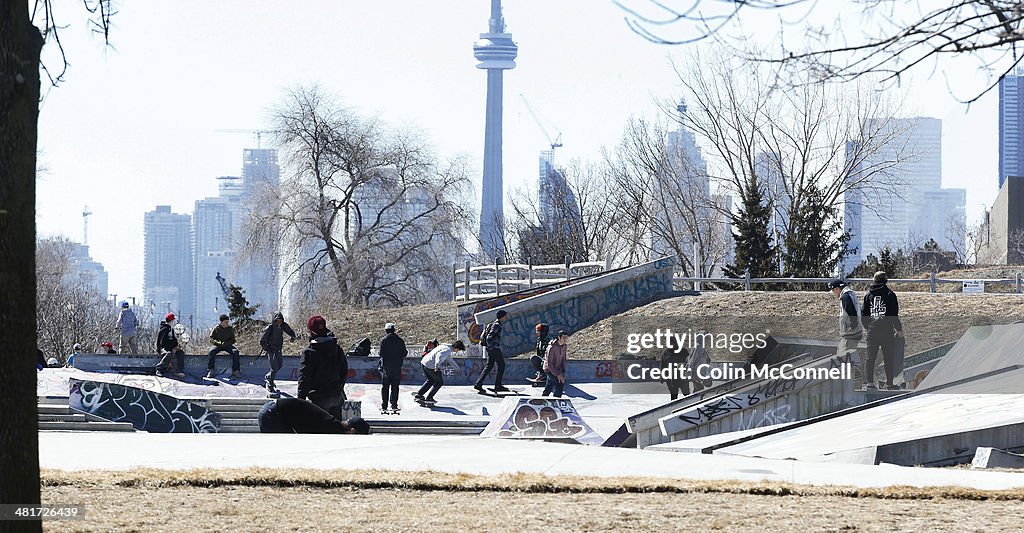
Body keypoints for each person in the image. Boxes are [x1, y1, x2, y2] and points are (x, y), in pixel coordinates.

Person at [297, 316, 348, 420]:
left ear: (312, 332)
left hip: (319, 398)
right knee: (336, 430)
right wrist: (339, 387)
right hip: (337, 397)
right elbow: (344, 370)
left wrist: (300, 400)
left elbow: (304, 377)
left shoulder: (309, 353)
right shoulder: (337, 348)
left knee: (320, 432)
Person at [861, 271, 904, 390]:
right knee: (888, 357)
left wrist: (868, 327)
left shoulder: (868, 295)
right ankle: (889, 383)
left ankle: (869, 383)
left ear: (874, 280)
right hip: (887, 331)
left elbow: (864, 315)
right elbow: (893, 315)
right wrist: (899, 329)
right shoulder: (890, 294)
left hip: (872, 331)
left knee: (870, 358)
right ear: (886, 281)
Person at [258, 397, 370, 434]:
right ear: (353, 431)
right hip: (273, 413)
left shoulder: (332, 424)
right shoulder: (333, 430)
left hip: (272, 410)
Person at [414, 340, 465, 406]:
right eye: (458, 350)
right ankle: (429, 398)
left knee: (430, 380)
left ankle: (419, 395)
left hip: (424, 363)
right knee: (439, 382)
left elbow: (449, 360)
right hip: (430, 366)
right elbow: (439, 355)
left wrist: (457, 368)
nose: (457, 352)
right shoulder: (447, 350)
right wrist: (436, 365)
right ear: (457, 348)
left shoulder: (444, 346)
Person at [260, 312, 297, 394]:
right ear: (274, 321)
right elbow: (262, 341)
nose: (279, 323)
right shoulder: (270, 328)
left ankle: (268, 376)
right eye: (277, 321)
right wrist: (268, 349)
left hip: (278, 349)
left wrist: (293, 336)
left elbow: (289, 331)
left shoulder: (283, 325)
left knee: (280, 365)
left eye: (280, 321)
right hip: (271, 350)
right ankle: (270, 383)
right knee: (274, 368)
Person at [474, 310, 510, 393]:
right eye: (505, 316)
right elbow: (489, 337)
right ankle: (498, 385)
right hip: (494, 348)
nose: (506, 318)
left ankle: (478, 383)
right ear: (502, 317)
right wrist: (491, 347)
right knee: (502, 365)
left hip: (491, 348)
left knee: (489, 366)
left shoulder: (495, 324)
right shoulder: (497, 325)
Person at [828, 278, 863, 358]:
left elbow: (852, 312)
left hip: (850, 334)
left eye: (833, 291)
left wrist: (852, 326)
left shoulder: (845, 297)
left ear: (836, 289)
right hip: (855, 332)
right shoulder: (851, 294)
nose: (833, 294)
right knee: (846, 356)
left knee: (843, 358)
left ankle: (851, 370)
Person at [378, 323, 409, 413]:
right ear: (394, 330)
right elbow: (404, 353)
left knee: (385, 387)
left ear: (386, 330)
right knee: (395, 387)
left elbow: (381, 354)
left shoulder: (384, 340)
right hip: (397, 367)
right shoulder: (400, 340)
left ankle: (384, 406)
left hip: (386, 368)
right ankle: (394, 405)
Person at [207, 314, 241, 379]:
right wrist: (218, 343)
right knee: (211, 352)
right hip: (218, 345)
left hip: (227, 345)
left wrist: (226, 343)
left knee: (235, 352)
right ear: (221, 322)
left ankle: (236, 370)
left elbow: (233, 340)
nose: (227, 323)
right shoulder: (216, 328)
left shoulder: (230, 329)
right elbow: (211, 338)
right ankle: (211, 370)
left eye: (228, 322)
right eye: (225, 322)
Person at [156, 313, 186, 378]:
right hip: (163, 348)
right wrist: (171, 349)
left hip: (171, 348)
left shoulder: (171, 329)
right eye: (173, 320)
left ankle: (180, 371)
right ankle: (159, 369)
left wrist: (177, 346)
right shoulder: (163, 330)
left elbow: (173, 341)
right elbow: (162, 343)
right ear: (171, 321)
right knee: (169, 354)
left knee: (181, 353)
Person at [543, 330, 569, 398]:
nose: (565, 340)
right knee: (559, 383)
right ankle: (556, 402)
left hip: (556, 368)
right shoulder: (551, 347)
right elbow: (549, 364)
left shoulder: (564, 346)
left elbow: (563, 360)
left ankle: (543, 399)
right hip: (548, 369)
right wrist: (558, 375)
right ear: (559, 337)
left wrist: (563, 371)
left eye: (566, 338)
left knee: (549, 385)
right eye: (563, 338)